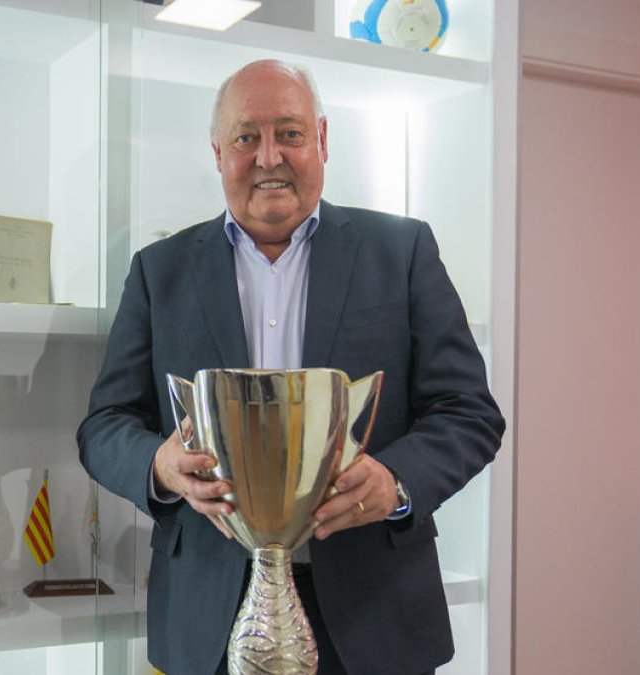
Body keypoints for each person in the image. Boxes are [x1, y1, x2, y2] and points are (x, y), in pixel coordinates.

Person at [76, 59, 505, 675]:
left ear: (323, 141)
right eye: (247, 137)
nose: (269, 156)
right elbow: (104, 426)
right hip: (210, 621)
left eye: (290, 133)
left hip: (374, 614)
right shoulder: (159, 271)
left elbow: (470, 412)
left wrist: (395, 482)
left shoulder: (403, 252)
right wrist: (160, 465)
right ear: (219, 152)